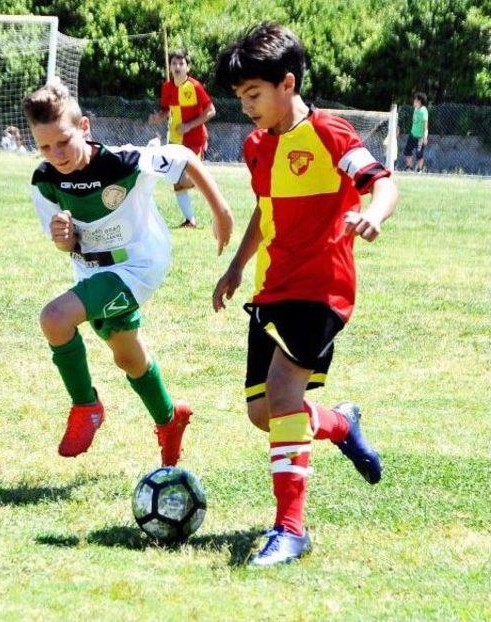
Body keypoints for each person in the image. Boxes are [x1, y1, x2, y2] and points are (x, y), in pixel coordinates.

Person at [213, 22, 398, 566]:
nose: (246, 106)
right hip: (274, 288)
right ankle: (341, 422)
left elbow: (382, 181)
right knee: (263, 411)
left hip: (322, 289)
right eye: (240, 97)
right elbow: (265, 210)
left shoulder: (329, 134)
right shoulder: (254, 146)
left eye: (254, 94)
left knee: (284, 395)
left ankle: (290, 530)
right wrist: (237, 267)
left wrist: (372, 215)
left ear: (287, 84)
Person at [22, 80, 233, 465]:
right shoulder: (44, 182)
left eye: (63, 141)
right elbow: (66, 245)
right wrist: (62, 238)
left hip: (137, 267)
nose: (56, 154)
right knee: (129, 359)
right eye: (44, 147)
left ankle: (87, 406)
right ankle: (171, 420)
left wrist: (221, 211)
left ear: (84, 127)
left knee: (55, 319)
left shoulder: (123, 161)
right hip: (91, 273)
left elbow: (184, 157)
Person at [149, 50, 215, 228]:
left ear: (188, 67)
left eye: (181, 64)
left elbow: (211, 111)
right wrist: (158, 118)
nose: (177, 67)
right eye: (174, 64)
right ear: (170, 67)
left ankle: (209, 187)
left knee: (187, 179)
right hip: (175, 139)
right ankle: (190, 220)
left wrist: (190, 125)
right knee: (175, 180)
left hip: (195, 139)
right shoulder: (167, 87)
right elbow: (165, 110)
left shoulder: (195, 87)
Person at [404, 92, 429, 172]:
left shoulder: (423, 111)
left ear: (419, 101)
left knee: (419, 154)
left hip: (420, 137)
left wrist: (425, 136)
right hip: (412, 135)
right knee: (407, 151)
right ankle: (409, 168)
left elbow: (425, 125)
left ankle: (419, 170)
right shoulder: (415, 109)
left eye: (415, 99)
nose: (414, 101)